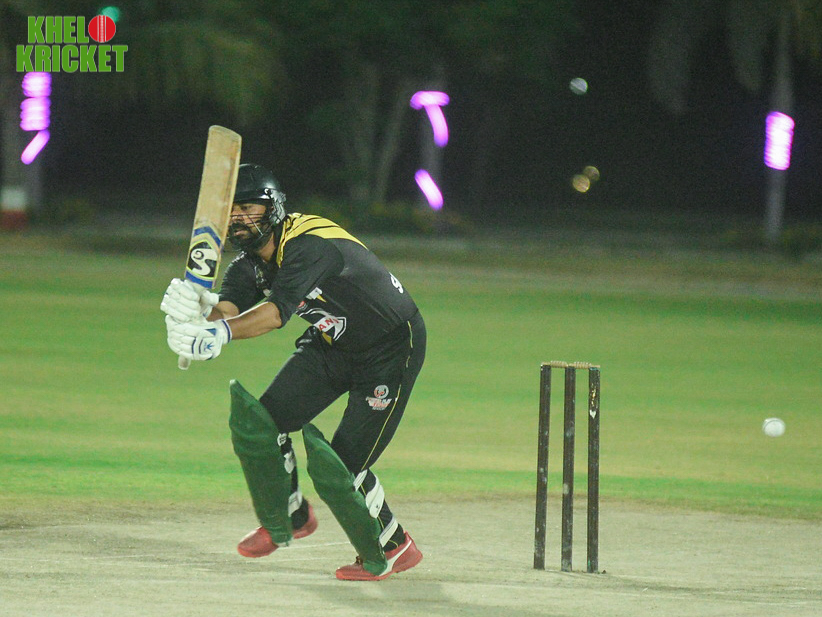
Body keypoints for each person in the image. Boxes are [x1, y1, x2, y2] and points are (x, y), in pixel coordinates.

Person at [161, 164, 426, 581]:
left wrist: (218, 334)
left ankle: (395, 545)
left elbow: (274, 314)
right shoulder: (250, 264)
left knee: (342, 465)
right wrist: (194, 316)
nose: (237, 218)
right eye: (231, 210)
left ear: (273, 208)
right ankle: (290, 516)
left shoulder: (308, 245)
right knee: (262, 425)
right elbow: (227, 310)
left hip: (389, 347)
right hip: (333, 343)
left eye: (247, 207)